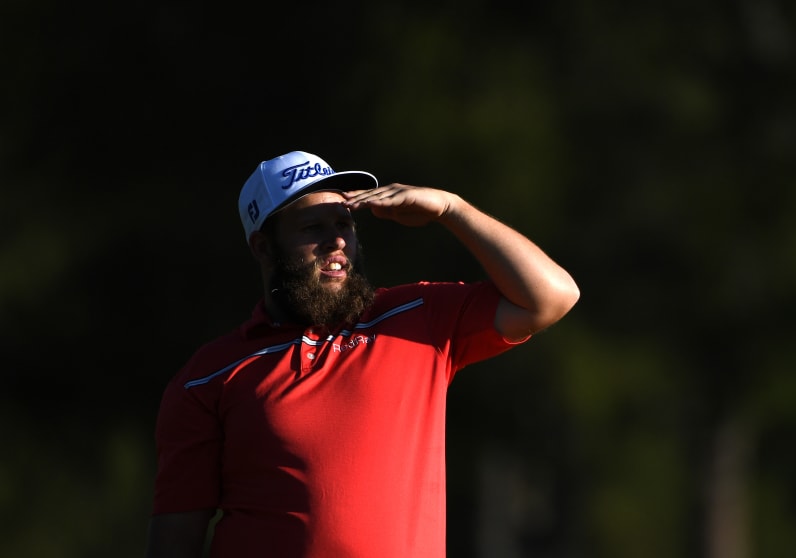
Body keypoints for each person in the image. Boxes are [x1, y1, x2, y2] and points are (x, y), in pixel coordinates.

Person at [144, 150, 580, 558]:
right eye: (313, 228)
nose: (336, 242)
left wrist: (453, 209)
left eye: (344, 224)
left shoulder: (416, 318)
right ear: (263, 247)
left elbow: (551, 297)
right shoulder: (207, 377)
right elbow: (176, 537)